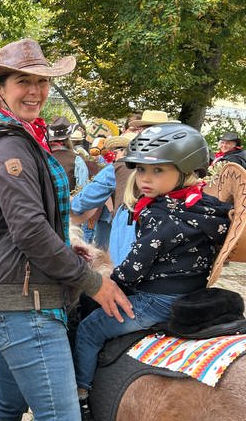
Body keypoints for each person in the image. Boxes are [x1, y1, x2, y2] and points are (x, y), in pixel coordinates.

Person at [0, 38, 133, 420]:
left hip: (5, 289)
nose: (35, 91)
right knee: (61, 415)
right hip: (20, 298)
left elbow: (25, 225)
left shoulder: (22, 137)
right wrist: (92, 282)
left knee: (8, 402)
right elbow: (30, 231)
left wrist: (67, 248)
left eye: (41, 81)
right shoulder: (11, 148)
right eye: (23, 81)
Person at [74, 123, 230, 416]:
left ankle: (79, 392)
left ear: (187, 169)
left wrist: (109, 281)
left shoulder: (160, 215)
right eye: (142, 170)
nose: (145, 179)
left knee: (89, 329)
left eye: (158, 171)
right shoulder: (210, 208)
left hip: (154, 303)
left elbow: (134, 267)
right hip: (193, 294)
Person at [71, 134, 137, 263]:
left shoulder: (117, 168)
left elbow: (87, 198)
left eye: (115, 151)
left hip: (129, 220)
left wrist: (71, 204)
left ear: (122, 151)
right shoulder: (162, 167)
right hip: (157, 222)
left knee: (121, 262)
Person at [48, 116, 88, 192]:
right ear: (68, 138)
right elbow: (83, 189)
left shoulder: (43, 157)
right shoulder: (77, 159)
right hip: (69, 202)